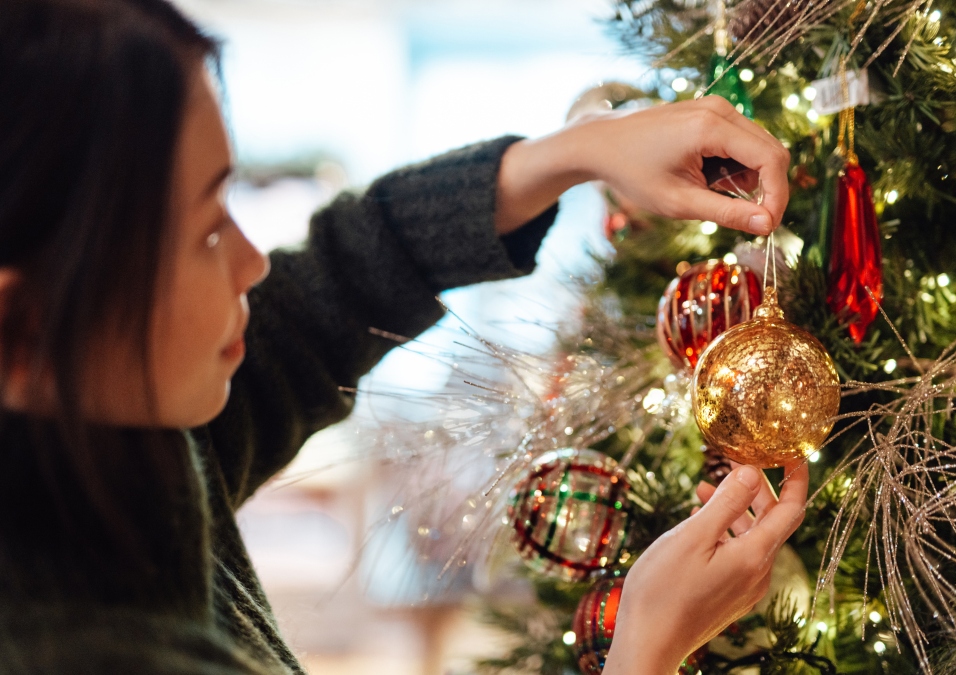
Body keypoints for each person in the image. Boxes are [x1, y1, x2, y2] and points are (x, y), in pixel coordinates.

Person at [0, 0, 807, 673]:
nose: (252, 262)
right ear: (23, 323)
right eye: (205, 230)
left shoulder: (121, 438)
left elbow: (339, 278)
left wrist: (578, 154)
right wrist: (647, 648)